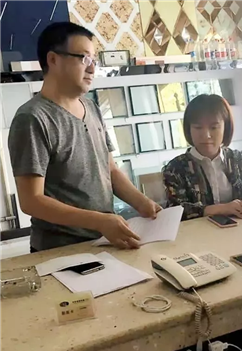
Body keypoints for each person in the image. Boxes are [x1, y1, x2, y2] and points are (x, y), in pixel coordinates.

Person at [8, 22, 160, 252]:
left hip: (104, 242)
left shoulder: (92, 108)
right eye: (84, 58)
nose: (92, 68)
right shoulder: (33, 118)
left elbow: (110, 170)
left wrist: (143, 203)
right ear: (53, 59)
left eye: (94, 60)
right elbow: (31, 201)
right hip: (61, 250)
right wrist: (99, 221)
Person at [162, 94, 242, 220]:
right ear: (189, 129)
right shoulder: (175, 169)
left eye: (214, 127)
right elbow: (175, 209)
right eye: (198, 127)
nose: (206, 135)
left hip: (241, 228)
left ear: (226, 128)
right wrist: (223, 209)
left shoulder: (241, 160)